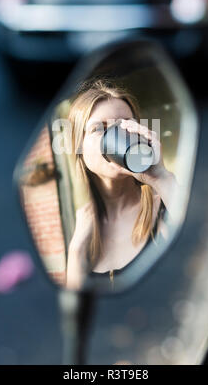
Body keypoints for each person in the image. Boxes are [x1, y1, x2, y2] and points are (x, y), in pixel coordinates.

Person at [65, 78, 177, 290]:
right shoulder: (81, 226)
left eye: (125, 125)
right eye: (99, 128)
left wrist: (160, 176)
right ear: (79, 146)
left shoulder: (164, 206)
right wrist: (77, 250)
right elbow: (77, 307)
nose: (116, 135)